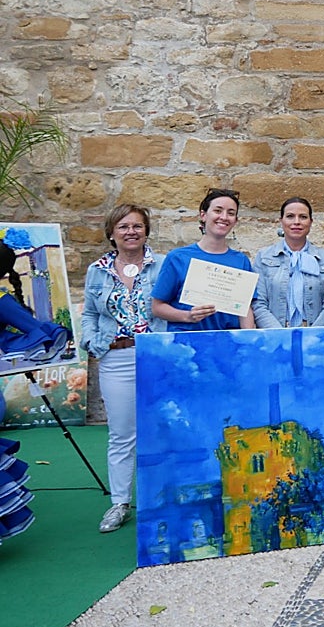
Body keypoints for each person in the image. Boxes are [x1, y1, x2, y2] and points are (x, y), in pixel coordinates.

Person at [80, 204, 167, 533]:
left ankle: (160, 500)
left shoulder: (163, 265)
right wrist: (91, 341)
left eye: (137, 226)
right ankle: (120, 503)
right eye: (123, 226)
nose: (131, 232)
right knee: (121, 434)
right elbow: (90, 313)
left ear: (146, 231)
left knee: (160, 430)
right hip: (115, 357)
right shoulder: (97, 270)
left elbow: (175, 304)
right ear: (111, 233)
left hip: (156, 355)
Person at [151, 188, 257, 332]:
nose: (224, 217)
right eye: (218, 211)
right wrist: (188, 316)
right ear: (203, 215)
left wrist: (249, 337)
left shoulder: (241, 261)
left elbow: (244, 309)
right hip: (187, 340)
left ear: (235, 221)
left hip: (229, 340)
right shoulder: (178, 257)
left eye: (231, 213)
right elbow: (157, 307)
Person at [251, 197, 324, 328]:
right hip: (275, 334)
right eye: (290, 216)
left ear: (311, 222)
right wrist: (279, 334)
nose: (296, 222)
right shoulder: (264, 257)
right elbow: (258, 303)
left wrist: (314, 334)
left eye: (303, 217)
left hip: (315, 334)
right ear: (281, 221)